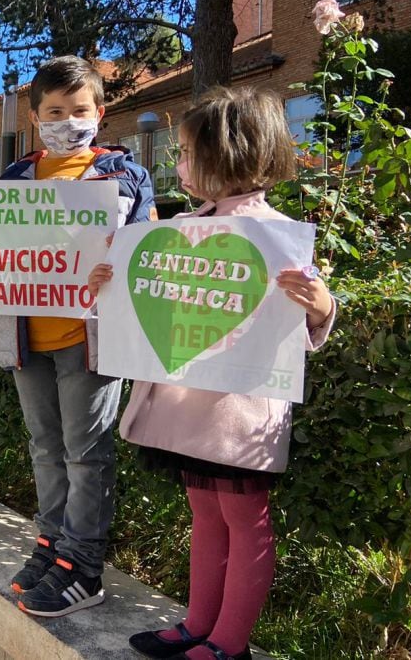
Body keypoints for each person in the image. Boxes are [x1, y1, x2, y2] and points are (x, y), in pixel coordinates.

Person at [88, 87, 335, 660]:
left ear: (228, 153)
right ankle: (199, 623)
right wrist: (112, 282)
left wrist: (320, 305)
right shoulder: (179, 230)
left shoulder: (276, 236)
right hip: (188, 405)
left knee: (244, 516)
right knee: (206, 512)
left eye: (184, 151)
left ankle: (229, 643)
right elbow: (153, 310)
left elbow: (307, 321)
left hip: (240, 412)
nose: (176, 164)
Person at [0, 55, 155, 617]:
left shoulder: (124, 175)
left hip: (91, 338)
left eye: (79, 110)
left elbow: (148, 251)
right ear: (35, 118)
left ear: (100, 113)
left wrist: (123, 261)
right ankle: (52, 546)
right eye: (55, 111)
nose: (68, 120)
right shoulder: (14, 179)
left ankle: (84, 566)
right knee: (47, 450)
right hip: (25, 338)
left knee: (87, 454)